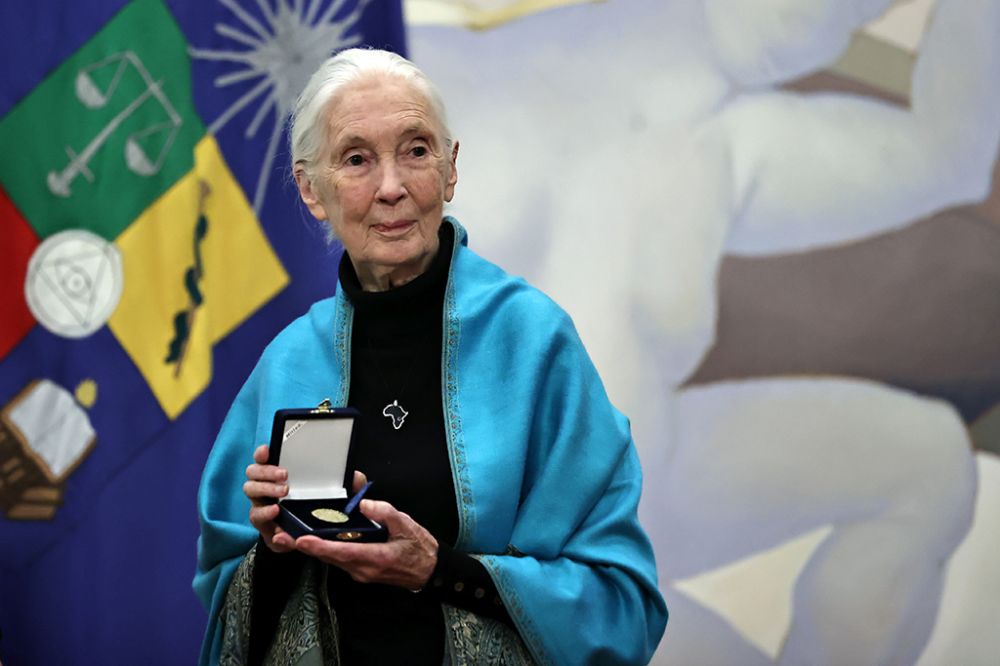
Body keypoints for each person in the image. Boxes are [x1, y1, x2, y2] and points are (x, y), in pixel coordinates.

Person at [193, 48, 666, 665]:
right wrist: (278, 546)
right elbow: (227, 616)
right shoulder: (287, 362)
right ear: (311, 189)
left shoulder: (532, 340)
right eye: (357, 159)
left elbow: (619, 600)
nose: (392, 188)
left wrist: (437, 570)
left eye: (416, 151)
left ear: (450, 169)